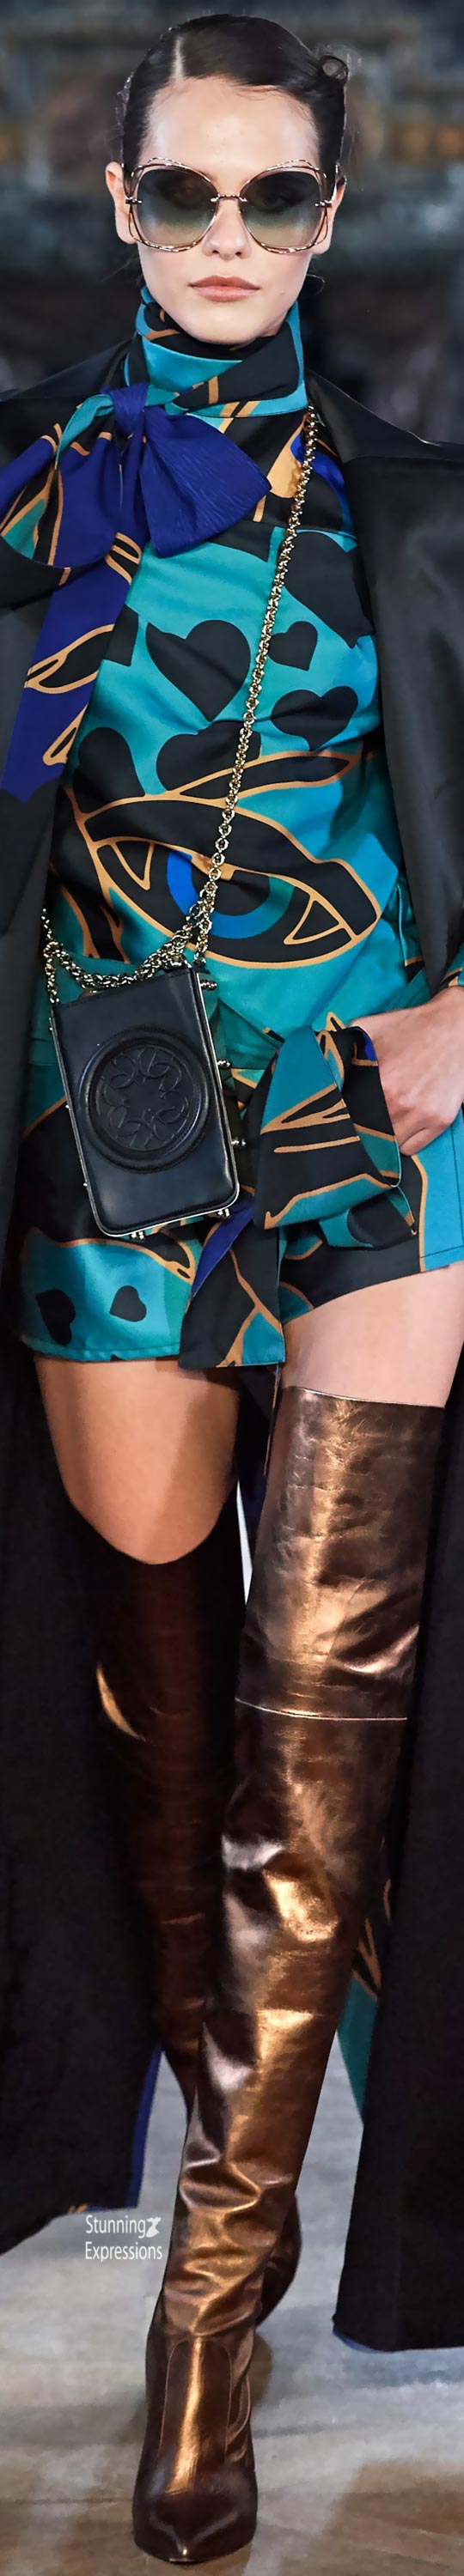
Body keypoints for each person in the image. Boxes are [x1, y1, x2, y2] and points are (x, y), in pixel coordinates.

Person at [2, 9, 464, 2561]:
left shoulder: (418, 507)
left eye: (270, 197)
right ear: (119, 202)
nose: (221, 238)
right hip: (113, 1130)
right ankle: (209, 2091)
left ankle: (217, 2307)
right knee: (164, 1725)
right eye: (181, 193)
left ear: (322, 217)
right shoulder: (24, 497)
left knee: (325, 1730)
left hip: (376, 1133)